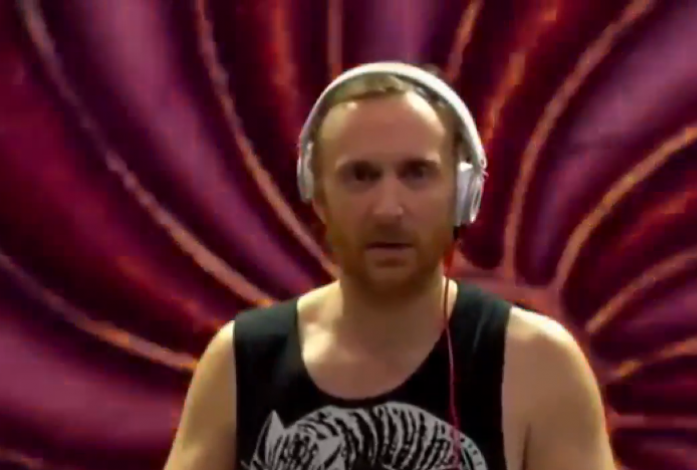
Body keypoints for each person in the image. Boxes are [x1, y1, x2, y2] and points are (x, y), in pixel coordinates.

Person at [163, 63, 616, 470]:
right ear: (317, 195)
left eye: (417, 173)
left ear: (463, 195)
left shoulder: (537, 364)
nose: (388, 209)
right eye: (360, 175)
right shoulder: (241, 360)